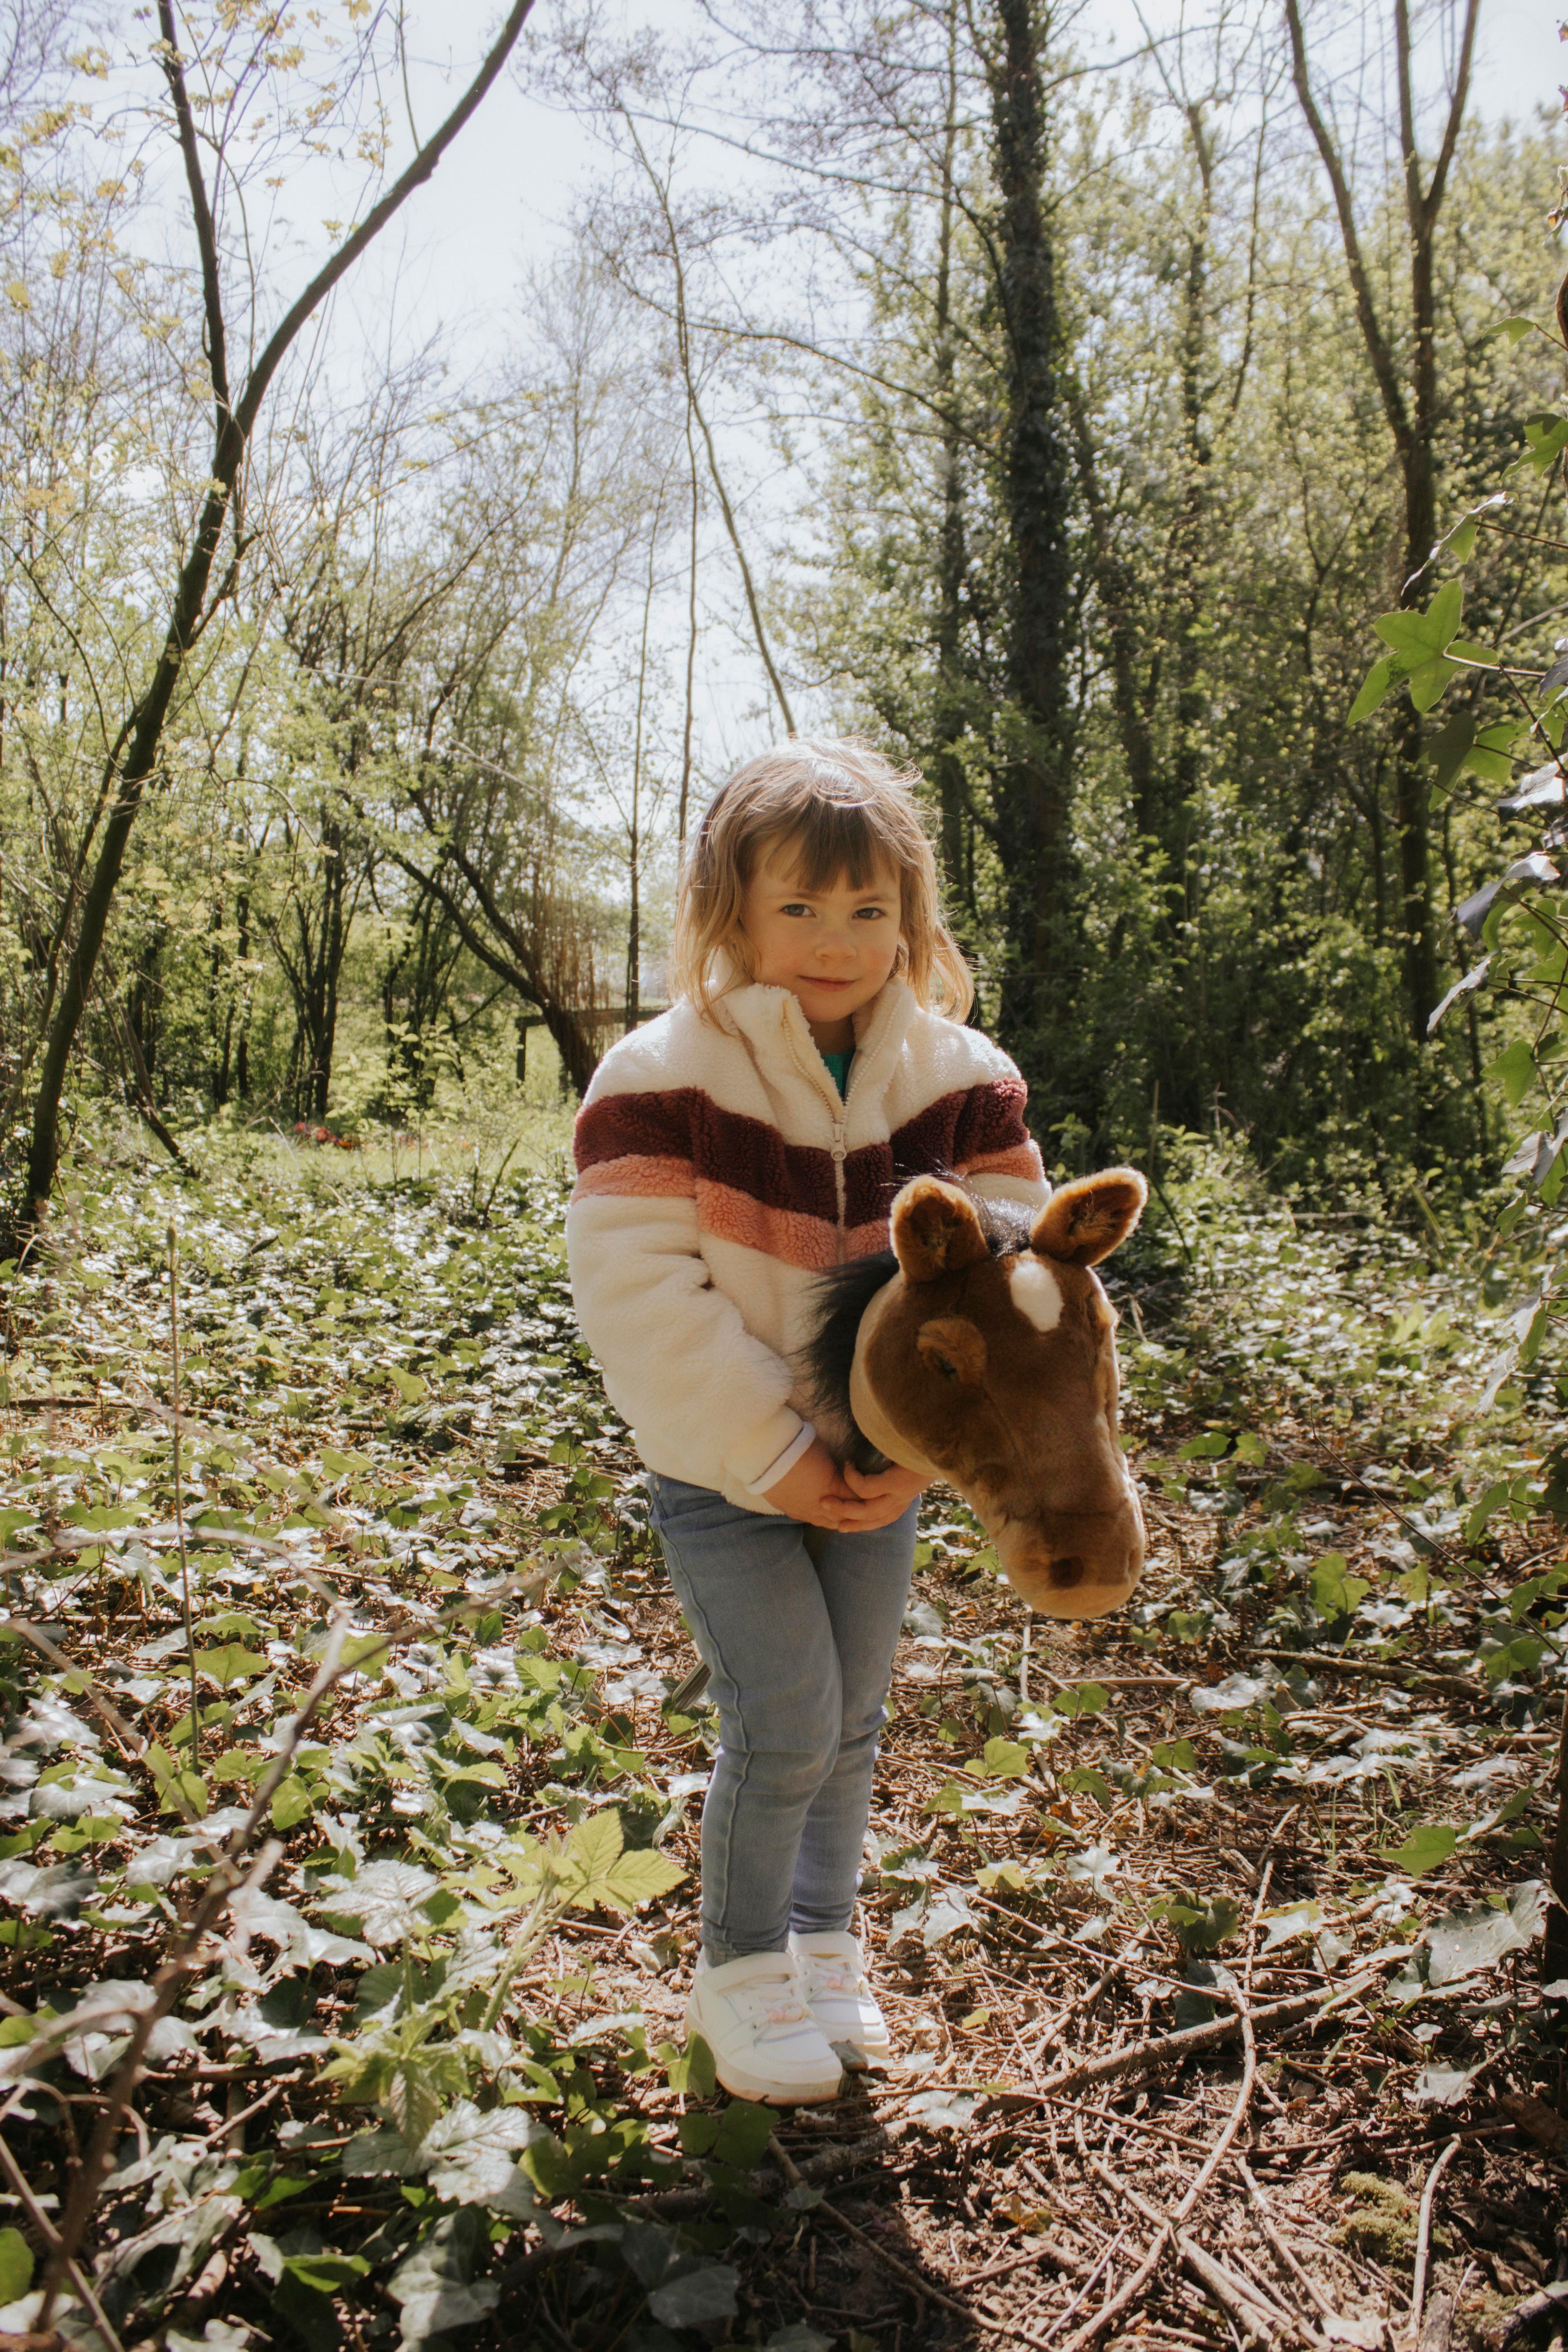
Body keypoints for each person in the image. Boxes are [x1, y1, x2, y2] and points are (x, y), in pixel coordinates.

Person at [566, 739, 1049, 2103]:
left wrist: (908, 1456)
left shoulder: (961, 1079)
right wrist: (774, 1454)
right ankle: (740, 1975)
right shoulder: (660, 1076)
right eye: (797, 909)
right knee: (782, 1719)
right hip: (727, 1470)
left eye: (866, 911)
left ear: (910, 915)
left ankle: (827, 1946)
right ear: (730, 909)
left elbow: (1008, 1288)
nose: (835, 942)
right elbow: (639, 1294)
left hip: (884, 1475)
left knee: (853, 1721)